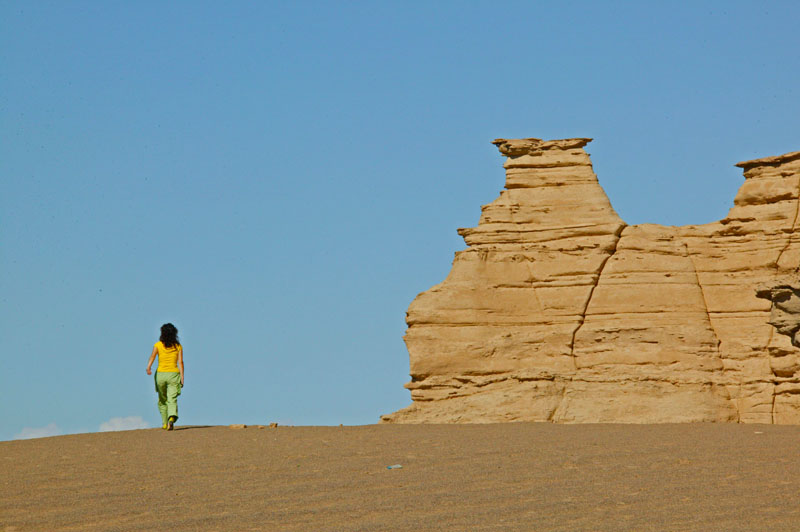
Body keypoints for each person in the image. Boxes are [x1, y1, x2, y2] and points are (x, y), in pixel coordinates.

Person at [146, 323, 185, 430]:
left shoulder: (158, 345)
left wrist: (148, 367)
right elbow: (180, 362)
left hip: (161, 375)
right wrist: (182, 378)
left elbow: (152, 356)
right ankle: (171, 418)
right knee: (172, 398)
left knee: (162, 399)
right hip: (173, 374)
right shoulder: (178, 346)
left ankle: (164, 422)